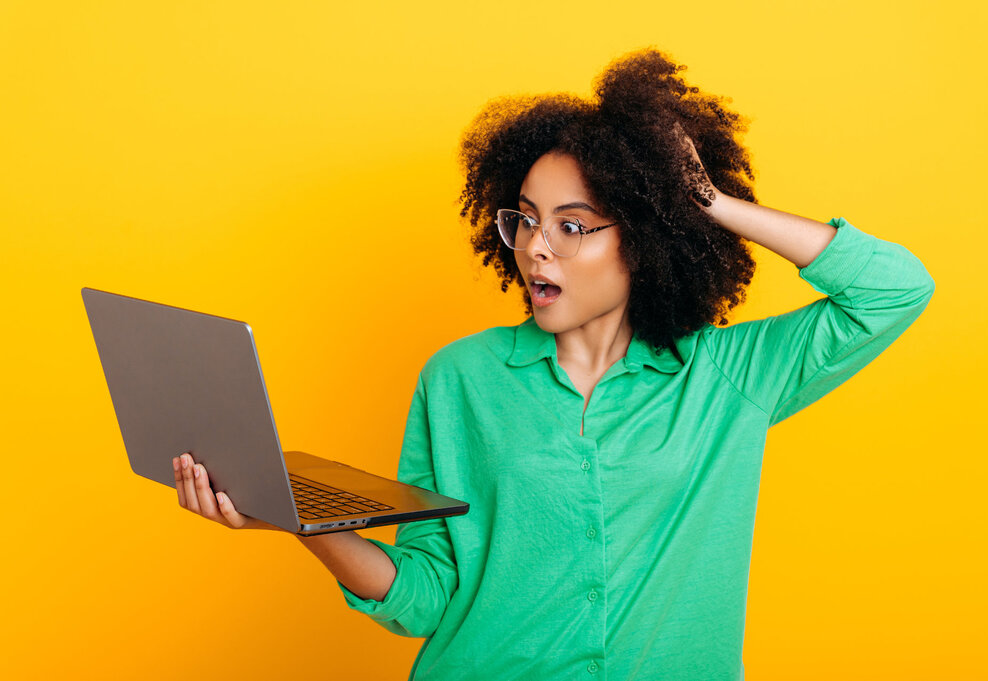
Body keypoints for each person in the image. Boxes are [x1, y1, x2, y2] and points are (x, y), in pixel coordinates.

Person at [171, 49, 935, 680]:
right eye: (527, 220)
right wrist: (299, 518)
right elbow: (428, 596)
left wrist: (707, 202)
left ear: (644, 240)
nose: (537, 247)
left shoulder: (728, 375)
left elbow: (895, 290)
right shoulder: (460, 379)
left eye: (573, 226)